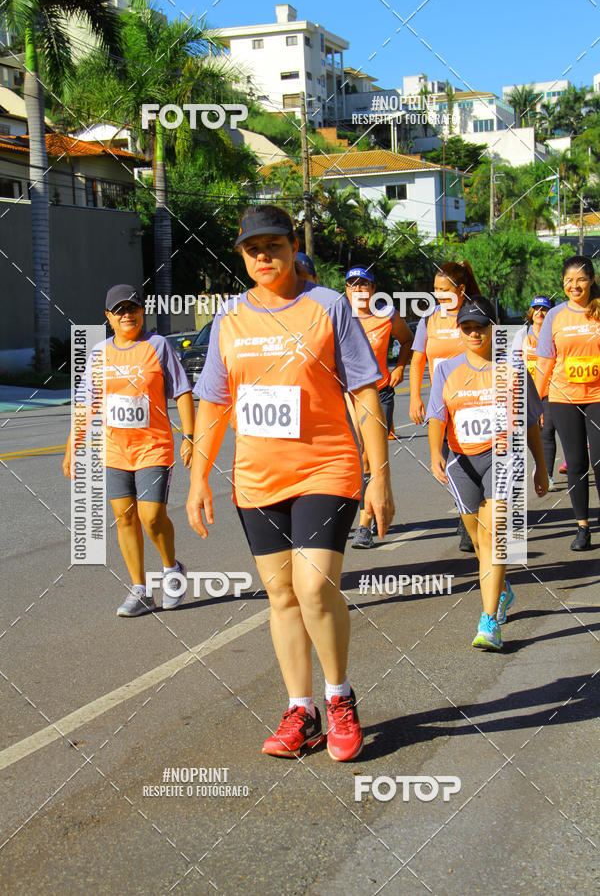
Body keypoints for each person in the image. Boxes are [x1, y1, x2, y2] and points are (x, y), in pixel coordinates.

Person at [186, 205, 394, 761]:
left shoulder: (328, 308)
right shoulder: (229, 319)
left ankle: (340, 697)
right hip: (257, 479)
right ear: (241, 256)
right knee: (280, 595)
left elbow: (365, 391)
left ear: (292, 245)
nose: (263, 257)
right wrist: (199, 477)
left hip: (326, 467)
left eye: (273, 246)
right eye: (252, 249)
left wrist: (379, 478)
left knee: (313, 588)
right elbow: (213, 402)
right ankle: (301, 711)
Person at [62, 284, 195, 616]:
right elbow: (86, 402)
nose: (126, 315)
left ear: (142, 312)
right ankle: (140, 590)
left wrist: (189, 435)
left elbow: (181, 391)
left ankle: (171, 569)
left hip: (153, 446)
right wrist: (72, 447)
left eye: (132, 308)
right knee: (124, 518)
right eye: (119, 310)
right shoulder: (99, 353)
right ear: (108, 317)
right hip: (115, 450)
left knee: (151, 517)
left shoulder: (158, 346)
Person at [427, 296, 548, 651]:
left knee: (495, 533)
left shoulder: (513, 369)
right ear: (459, 331)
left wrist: (539, 465)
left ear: (494, 329)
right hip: (462, 461)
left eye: (480, 326)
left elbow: (529, 423)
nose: (474, 333)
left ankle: (489, 620)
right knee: (480, 542)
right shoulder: (447, 370)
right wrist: (435, 453)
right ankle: (502, 589)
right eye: (467, 327)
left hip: (503, 456)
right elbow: (437, 416)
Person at [410, 260, 482, 552]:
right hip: (441, 407)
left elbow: (497, 353)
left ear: (461, 290)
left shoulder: (476, 316)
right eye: (436, 289)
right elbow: (417, 361)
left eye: (444, 290)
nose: (438, 295)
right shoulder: (429, 319)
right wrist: (415, 397)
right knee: (449, 464)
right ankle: (466, 509)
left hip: (473, 403)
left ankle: (471, 523)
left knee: (470, 461)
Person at [344, 265, 413, 548]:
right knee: (357, 457)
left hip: (380, 392)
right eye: (353, 285)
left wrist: (399, 368)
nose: (359, 290)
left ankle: (364, 525)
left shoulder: (385, 314)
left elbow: (407, 339)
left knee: (372, 456)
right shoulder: (337, 316)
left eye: (364, 285)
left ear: (373, 289)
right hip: (346, 396)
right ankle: (363, 509)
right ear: (346, 289)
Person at [535, 255, 600, 551]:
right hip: (563, 398)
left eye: (581, 280)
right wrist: (534, 403)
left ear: (592, 281)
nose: (575, 285)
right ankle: (582, 527)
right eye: (569, 280)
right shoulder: (555, 315)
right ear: (563, 283)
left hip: (598, 397)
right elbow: (545, 361)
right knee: (575, 463)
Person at [522, 295, 557, 490]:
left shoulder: (554, 334)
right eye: (536, 309)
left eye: (543, 309)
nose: (539, 313)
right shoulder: (522, 336)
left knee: (548, 430)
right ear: (530, 312)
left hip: (551, 389)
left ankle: (548, 474)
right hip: (529, 390)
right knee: (534, 431)